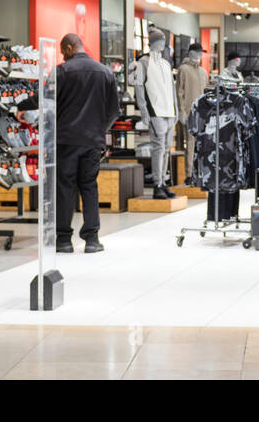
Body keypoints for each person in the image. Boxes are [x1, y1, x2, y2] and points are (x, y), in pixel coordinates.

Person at [55, 33, 119, 253]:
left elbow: (47, 100)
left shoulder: (62, 71)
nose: (62, 56)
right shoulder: (105, 72)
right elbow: (113, 111)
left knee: (65, 187)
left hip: (66, 140)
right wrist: (101, 130)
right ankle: (92, 239)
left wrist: (21, 106)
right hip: (93, 140)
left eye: (63, 51)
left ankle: (63, 240)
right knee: (89, 186)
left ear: (70, 47)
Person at [131, 27, 178, 199]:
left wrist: (176, 109)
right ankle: (157, 184)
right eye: (159, 41)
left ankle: (163, 182)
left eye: (163, 41)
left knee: (166, 148)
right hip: (155, 111)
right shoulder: (143, 62)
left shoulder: (166, 64)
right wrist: (144, 111)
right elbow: (138, 87)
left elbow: (171, 89)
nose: (162, 44)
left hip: (169, 112)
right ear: (152, 43)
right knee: (158, 148)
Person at [175, 43, 208, 180]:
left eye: (201, 52)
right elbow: (179, 92)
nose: (200, 54)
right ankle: (189, 174)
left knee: (203, 143)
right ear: (190, 53)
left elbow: (206, 92)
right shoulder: (183, 69)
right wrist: (181, 110)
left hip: (203, 112)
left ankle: (200, 172)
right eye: (197, 52)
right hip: (189, 112)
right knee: (190, 143)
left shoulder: (203, 72)